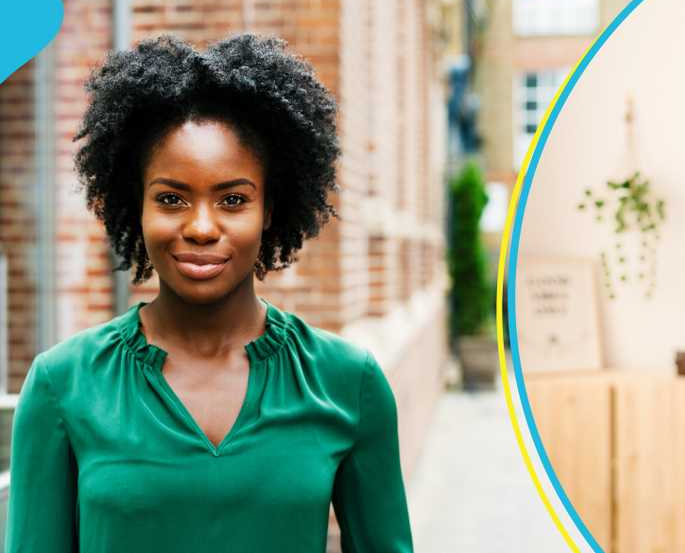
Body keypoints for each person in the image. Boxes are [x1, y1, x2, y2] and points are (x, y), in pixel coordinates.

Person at [6, 34, 412, 553]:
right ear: (137, 207)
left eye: (233, 199)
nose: (201, 227)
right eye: (172, 198)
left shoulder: (345, 382)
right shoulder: (63, 385)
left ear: (268, 210)